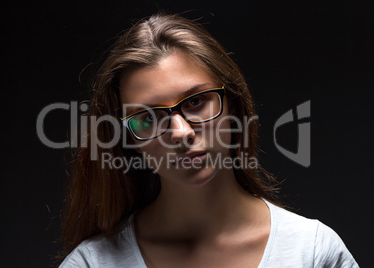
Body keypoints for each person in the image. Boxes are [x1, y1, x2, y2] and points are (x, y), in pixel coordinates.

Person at [59, 13, 358, 267]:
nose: (180, 132)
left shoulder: (314, 254)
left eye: (196, 101)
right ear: (127, 139)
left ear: (235, 107)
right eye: (148, 118)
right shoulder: (92, 263)